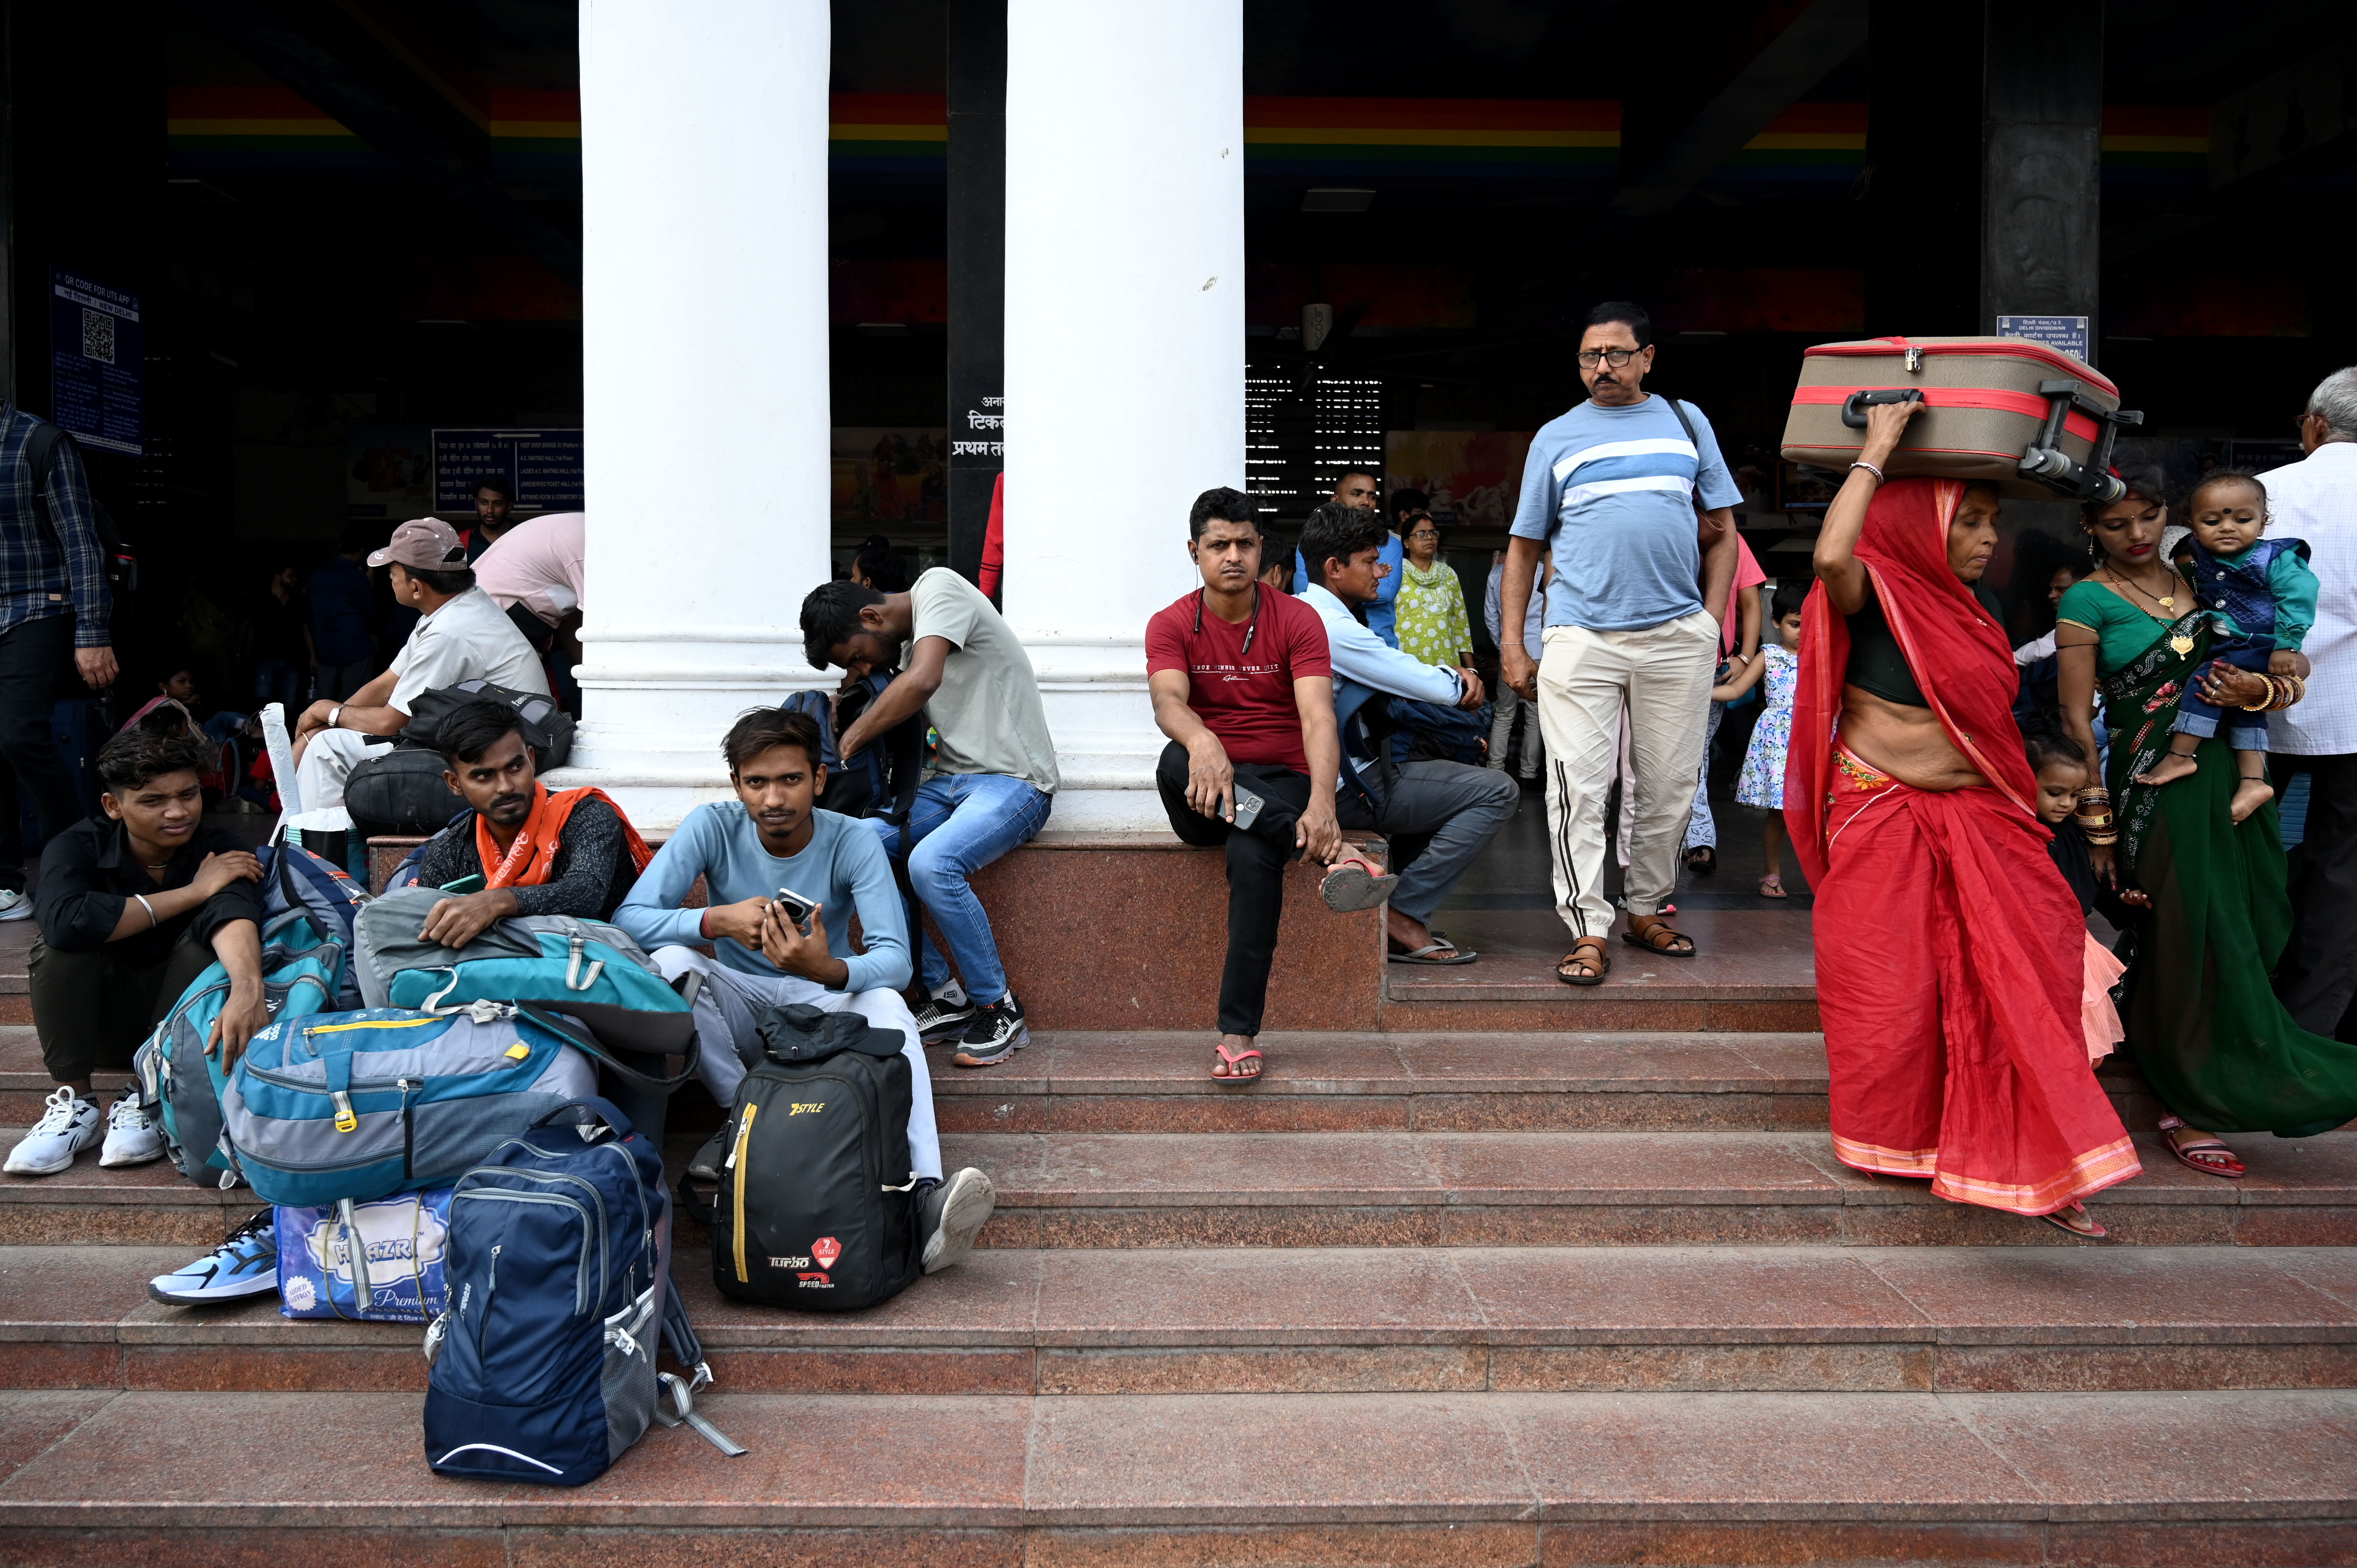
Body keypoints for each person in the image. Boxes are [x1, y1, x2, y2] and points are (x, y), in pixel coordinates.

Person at [1790, 399, 2139, 1238]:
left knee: (2031, 973)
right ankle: (1906, 1141)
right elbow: (1833, 551)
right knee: (1893, 992)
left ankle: (2037, 1151)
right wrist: (1875, 448)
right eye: (1970, 521)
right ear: (1920, 525)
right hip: (1884, 813)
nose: (1990, 538)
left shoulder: (1977, 616)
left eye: (1991, 521)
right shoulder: (1875, 593)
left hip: (1984, 822)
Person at [610, 707, 996, 1276]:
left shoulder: (853, 839)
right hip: (741, 1001)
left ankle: (926, 1193)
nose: (773, 799)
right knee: (671, 963)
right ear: (736, 783)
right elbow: (629, 919)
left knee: (889, 1004)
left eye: (790, 780)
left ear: (818, 779)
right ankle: (744, 1115)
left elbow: (894, 960)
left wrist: (830, 970)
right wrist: (712, 923)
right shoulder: (711, 825)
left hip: (824, 1005)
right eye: (757, 782)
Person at [2057, 466, 2357, 1177]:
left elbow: (2282, 681)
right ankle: (2186, 1099)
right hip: (2152, 789)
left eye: (2149, 516)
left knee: (2246, 926)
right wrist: (2095, 824)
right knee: (2192, 931)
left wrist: (2259, 685)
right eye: (2114, 523)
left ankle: (2189, 1063)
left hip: (2233, 781)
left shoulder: (2208, 573)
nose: (2136, 535)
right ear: (2087, 529)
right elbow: (2075, 721)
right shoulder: (2085, 599)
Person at [1497, 302, 1740, 984]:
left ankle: (1643, 907)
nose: (1601, 367)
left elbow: (1723, 528)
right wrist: (1514, 646)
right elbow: (1522, 548)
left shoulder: (1687, 422)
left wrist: (1709, 621)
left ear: (1648, 356)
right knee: (1577, 786)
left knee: (1669, 786)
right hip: (1580, 635)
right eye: (1588, 356)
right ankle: (1587, 926)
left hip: (1674, 635)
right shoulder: (1555, 436)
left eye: (1615, 353)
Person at [1147, 487, 1385, 1082]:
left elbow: (1318, 717)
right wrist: (1206, 745)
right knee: (1175, 760)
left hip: (1278, 790)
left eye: (1244, 544)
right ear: (1195, 552)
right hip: (1205, 793)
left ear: (1261, 551)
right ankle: (1337, 856)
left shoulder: (1298, 619)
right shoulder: (1173, 622)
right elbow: (1167, 702)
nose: (1233, 555)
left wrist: (1323, 803)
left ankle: (1237, 1033)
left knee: (1255, 852)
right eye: (1218, 545)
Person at [799, 561, 1058, 1068]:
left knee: (932, 863)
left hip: (1015, 782)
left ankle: (998, 1006)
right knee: (857, 843)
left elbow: (923, 680)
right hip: (945, 785)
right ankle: (944, 995)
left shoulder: (938, 588)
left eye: (858, 656)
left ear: (872, 618)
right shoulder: (898, 647)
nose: (866, 668)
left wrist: (849, 740)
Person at [4, 724, 269, 1180]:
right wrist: (193, 892)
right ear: (114, 805)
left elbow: (232, 913)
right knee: (60, 948)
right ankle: (77, 1106)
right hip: (99, 1020)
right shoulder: (75, 846)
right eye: (153, 801)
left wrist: (249, 987)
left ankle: (145, 1095)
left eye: (188, 794)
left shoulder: (220, 848)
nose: (177, 811)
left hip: (183, 1033)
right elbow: (66, 923)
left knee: (209, 944)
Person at [1297, 503, 1518, 965]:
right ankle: (1400, 915)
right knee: (1497, 791)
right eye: (1371, 561)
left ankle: (1404, 907)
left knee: (1438, 777)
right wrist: (1462, 681)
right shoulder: (1333, 627)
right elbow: (1426, 683)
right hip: (1339, 789)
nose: (1383, 570)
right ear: (1335, 568)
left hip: (1335, 776)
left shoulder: (1303, 613)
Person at [287, 518, 550, 819]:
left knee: (327, 749)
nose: (389, 578)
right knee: (325, 737)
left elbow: (390, 722)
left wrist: (325, 712)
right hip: (487, 740)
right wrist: (330, 720)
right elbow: (387, 683)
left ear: (416, 587)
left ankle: (310, 852)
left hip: (502, 759)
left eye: (392, 573)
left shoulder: (451, 632)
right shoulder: (453, 608)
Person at [2129, 472, 2314, 825]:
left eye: (2242, 520)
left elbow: (2299, 598)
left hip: (2259, 642)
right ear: (2194, 529)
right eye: (2213, 521)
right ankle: (2254, 781)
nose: (2227, 528)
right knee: (2245, 709)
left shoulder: (2274, 558)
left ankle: (2182, 754)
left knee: (2207, 683)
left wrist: (2287, 646)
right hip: (2231, 643)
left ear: (2263, 524)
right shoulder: (2196, 557)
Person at [2263, 366, 2357, 1040]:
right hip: (2351, 716)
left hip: (2251, 709)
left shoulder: (2260, 492)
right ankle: (2310, 1034)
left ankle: (2230, 1018)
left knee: (2239, 864)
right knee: (2340, 875)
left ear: (2315, 425)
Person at [0, 402, 120, 922]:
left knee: (18, 735)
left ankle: (76, 853)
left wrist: (92, 629)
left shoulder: (40, 443)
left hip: (37, 604)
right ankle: (6, 886)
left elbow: (80, 540)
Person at [405, 697, 650, 937]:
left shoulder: (585, 815)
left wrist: (497, 902)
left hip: (601, 965)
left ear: (531, 760)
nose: (505, 787)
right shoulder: (448, 853)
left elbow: (585, 893)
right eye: (484, 776)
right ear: (455, 783)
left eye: (515, 768)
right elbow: (429, 930)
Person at [2019, 711, 2129, 1068]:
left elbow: (2087, 886)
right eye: (2055, 793)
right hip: (2035, 950)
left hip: (2075, 946)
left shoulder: (2070, 833)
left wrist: (2124, 899)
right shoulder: (2015, 836)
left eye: (2075, 795)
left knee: (2088, 1053)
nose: (2067, 803)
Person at [1709, 580, 1803, 899]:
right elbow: (1736, 690)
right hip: (1780, 744)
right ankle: (1771, 872)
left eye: (1810, 624)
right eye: (1795, 624)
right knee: (1780, 814)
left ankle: (1829, 877)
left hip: (1815, 740)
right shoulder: (1770, 655)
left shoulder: (1826, 655)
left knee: (1823, 814)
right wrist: (1699, 692)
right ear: (1776, 622)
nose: (1803, 632)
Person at [1684, 538, 1767, 878]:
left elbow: (1751, 603)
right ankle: (1679, 841)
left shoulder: (1732, 541)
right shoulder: (1662, 518)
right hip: (1657, 663)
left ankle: (1699, 839)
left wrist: (1745, 658)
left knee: (1695, 754)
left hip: (1712, 668)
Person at [1292, 470, 1403, 646]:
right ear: (1335, 500)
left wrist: (1340, 586)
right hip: (1327, 640)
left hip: (1381, 643)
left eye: (1372, 496)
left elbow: (1388, 592)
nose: (1366, 502)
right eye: (1357, 494)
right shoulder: (1312, 541)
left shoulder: (1389, 543)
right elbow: (1304, 590)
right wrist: (1359, 584)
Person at [1484, 548, 1546, 782]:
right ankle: (1529, 773)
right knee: (1535, 716)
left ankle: (1495, 769)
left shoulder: (1497, 574)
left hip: (1511, 652)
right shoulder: (1546, 573)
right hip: (1540, 651)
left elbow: (1491, 616)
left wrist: (1503, 648)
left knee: (1504, 713)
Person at [1392, 509, 1474, 671]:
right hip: (1406, 665)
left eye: (1433, 533)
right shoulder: (1395, 573)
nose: (1429, 537)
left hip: (1447, 665)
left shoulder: (1448, 574)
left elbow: (1461, 624)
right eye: (1421, 533)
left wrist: (1471, 670)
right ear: (1407, 542)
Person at [307, 533, 379, 703]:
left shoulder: (316, 576)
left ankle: (318, 729)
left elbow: (310, 617)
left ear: (340, 547)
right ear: (361, 553)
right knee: (353, 703)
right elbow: (373, 613)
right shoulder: (357, 576)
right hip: (356, 648)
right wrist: (371, 583)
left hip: (326, 648)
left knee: (323, 701)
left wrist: (315, 649)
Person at [249, 561, 312, 714]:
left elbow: (305, 629)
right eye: (290, 576)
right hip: (265, 658)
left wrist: (313, 656)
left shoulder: (297, 602)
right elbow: (248, 627)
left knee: (288, 704)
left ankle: (287, 735)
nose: (294, 580)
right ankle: (261, 737)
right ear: (278, 577)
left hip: (292, 660)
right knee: (263, 704)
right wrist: (241, 653)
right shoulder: (261, 599)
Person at [461, 475, 516, 561]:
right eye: (484, 503)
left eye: (497, 504)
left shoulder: (522, 536)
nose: (490, 510)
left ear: (509, 507)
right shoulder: (463, 541)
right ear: (476, 504)